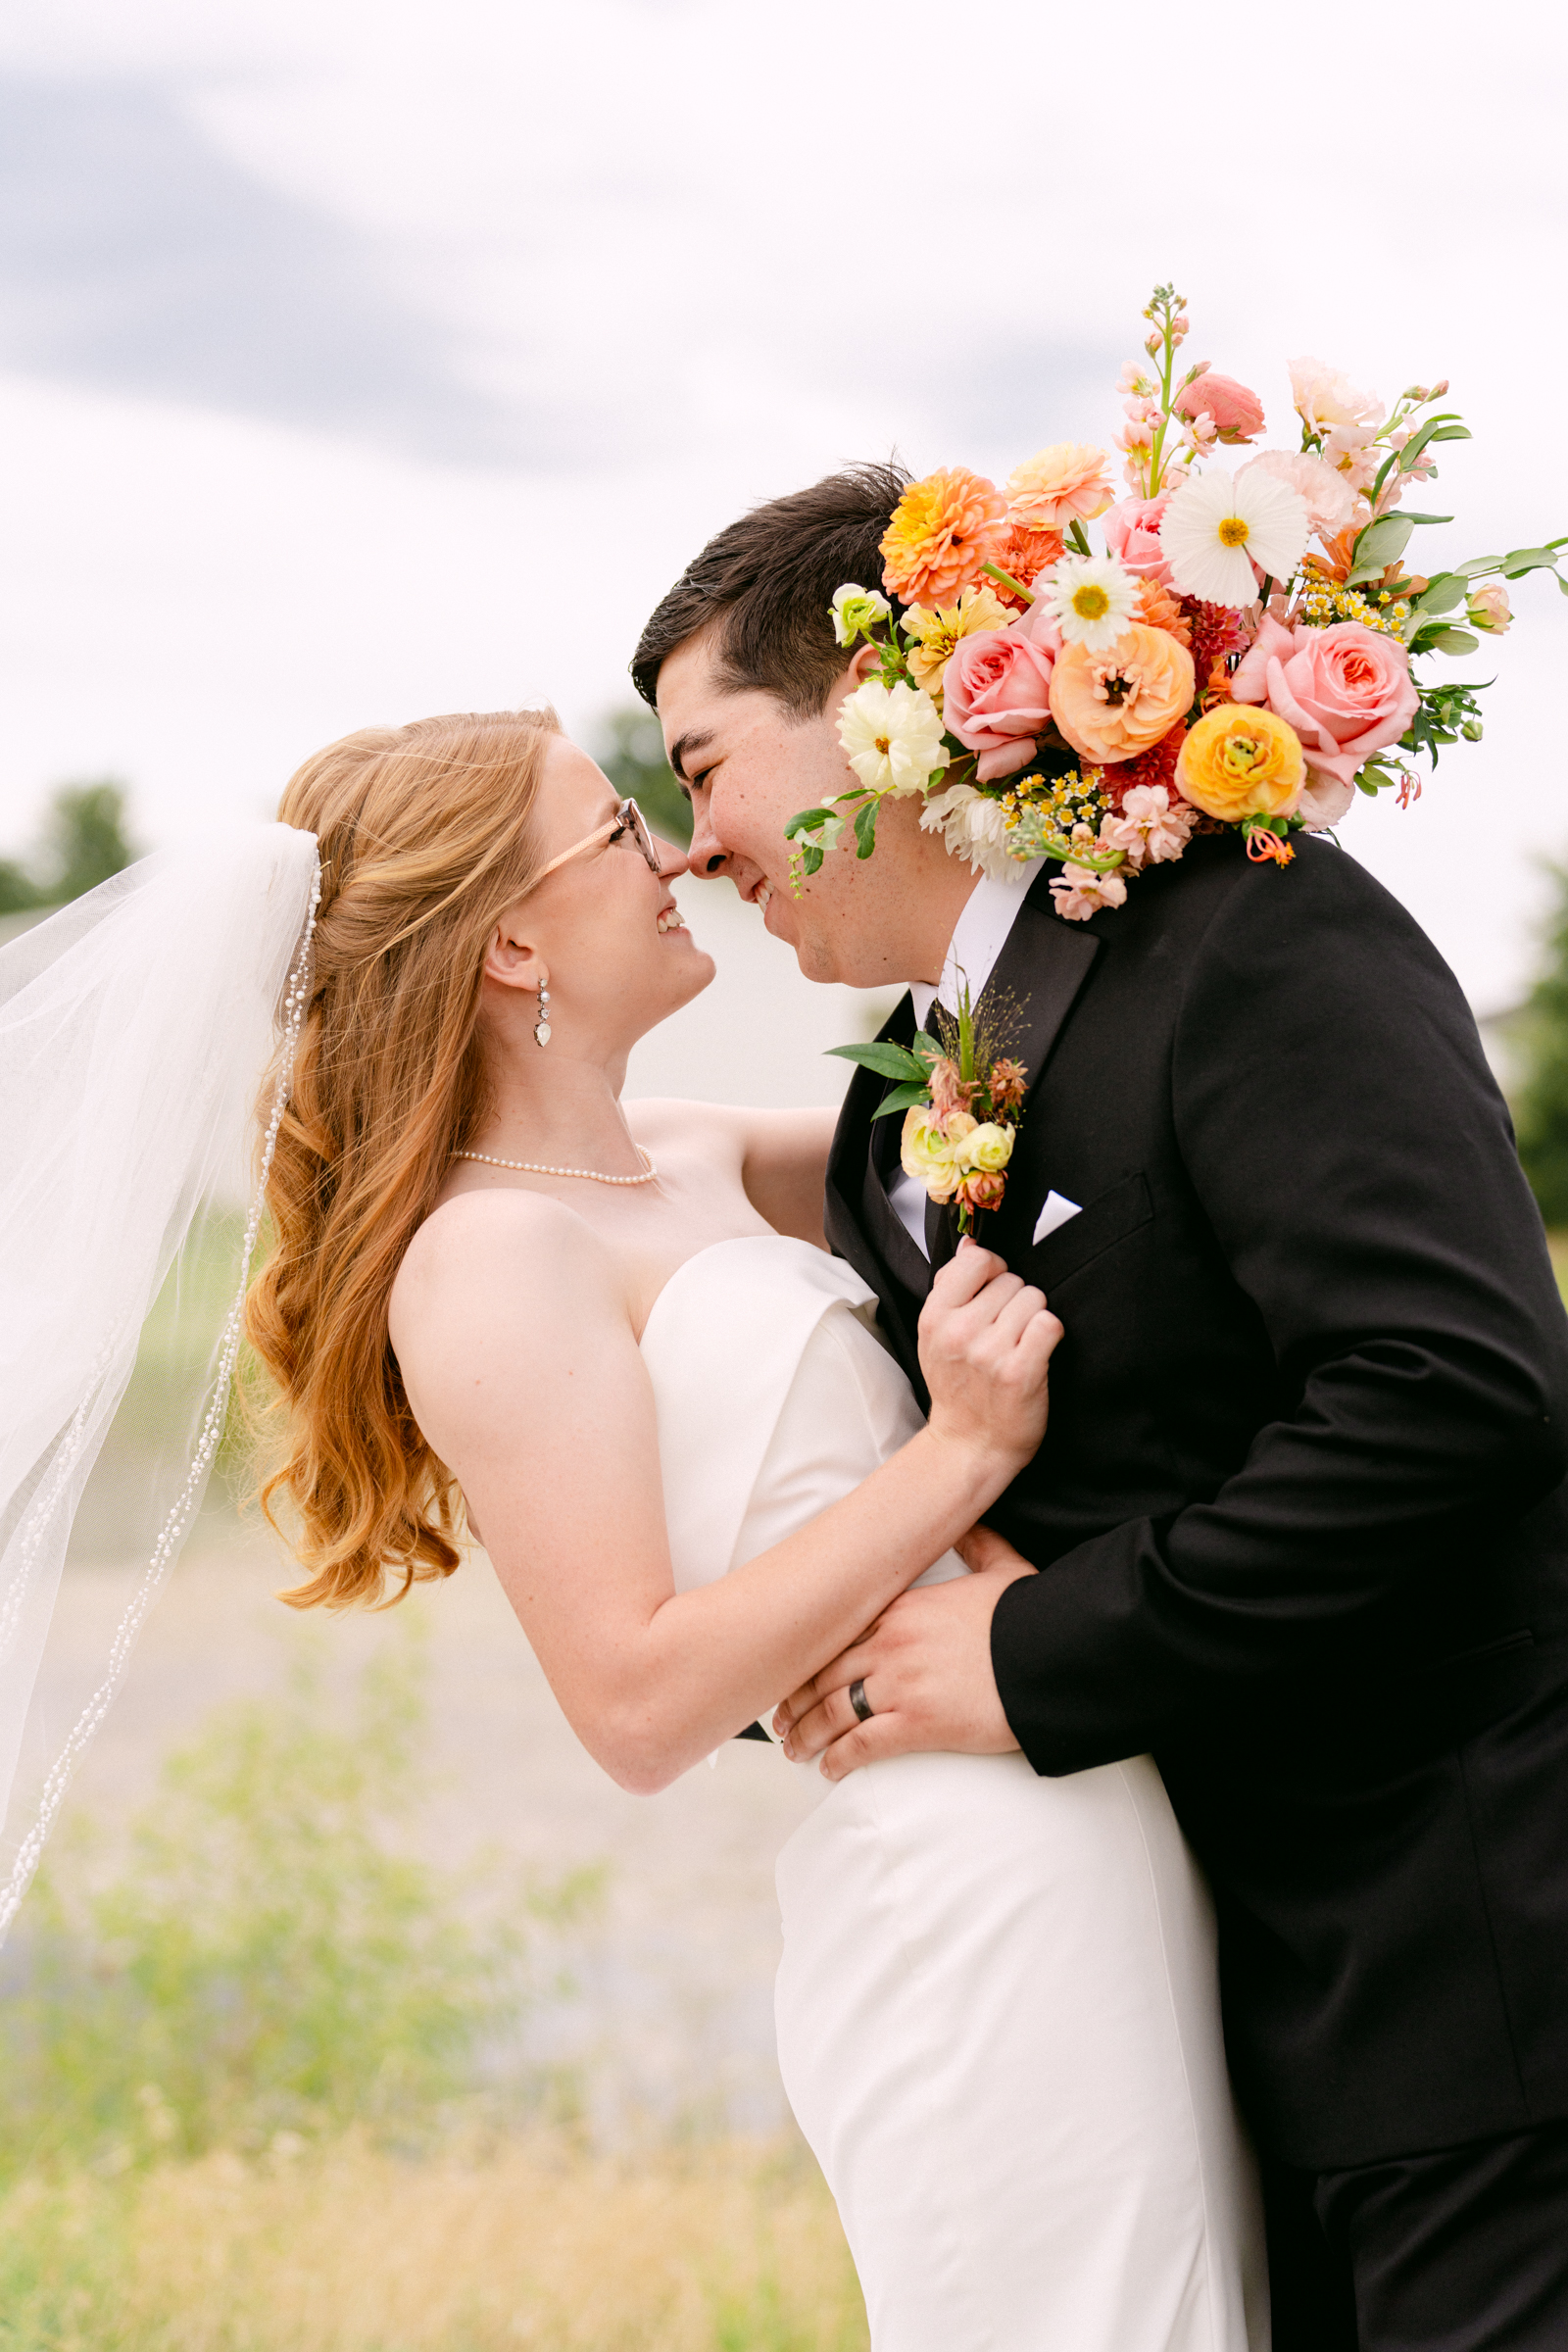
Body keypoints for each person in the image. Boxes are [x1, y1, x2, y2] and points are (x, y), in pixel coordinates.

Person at [631, 464, 1568, 2352]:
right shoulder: (920, 1089)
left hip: (1470, 1976)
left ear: (872, 711)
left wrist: (1041, 1647)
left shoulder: (1252, 928)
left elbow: (1451, 1389)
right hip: (1201, 2002)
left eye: (707, 760)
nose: (694, 839)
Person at [240, 708, 1269, 2352]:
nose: (679, 855)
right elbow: (639, 1706)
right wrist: (958, 1458)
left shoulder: (690, 1159)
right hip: (951, 1882)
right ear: (512, 940)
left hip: (1087, 1818)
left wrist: (1108, 768)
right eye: (614, 834)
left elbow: (1041, 1086)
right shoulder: (485, 1260)